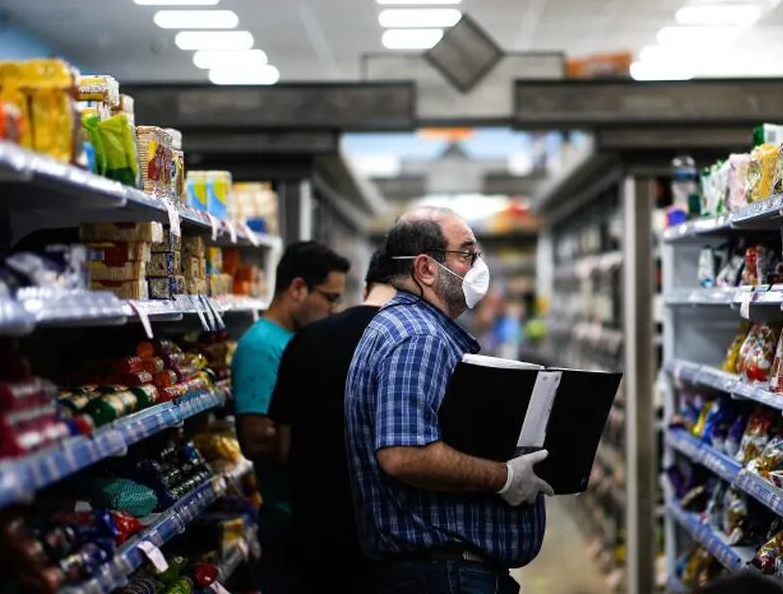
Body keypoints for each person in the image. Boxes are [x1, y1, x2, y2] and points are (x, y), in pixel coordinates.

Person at [345, 208, 553, 594]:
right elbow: (403, 454)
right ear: (425, 270)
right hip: (443, 576)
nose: (479, 266)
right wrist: (505, 477)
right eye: (467, 254)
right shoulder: (418, 338)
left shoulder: (410, 328)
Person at [268, 249, 397, 593]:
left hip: (314, 537)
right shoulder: (413, 344)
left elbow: (284, 447)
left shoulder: (305, 340)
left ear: (368, 284)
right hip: (387, 545)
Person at [231, 240, 350, 594]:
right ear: (298, 288)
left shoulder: (297, 339)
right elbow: (254, 437)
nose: (333, 310)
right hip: (287, 519)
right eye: (329, 298)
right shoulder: (261, 345)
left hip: (308, 517)